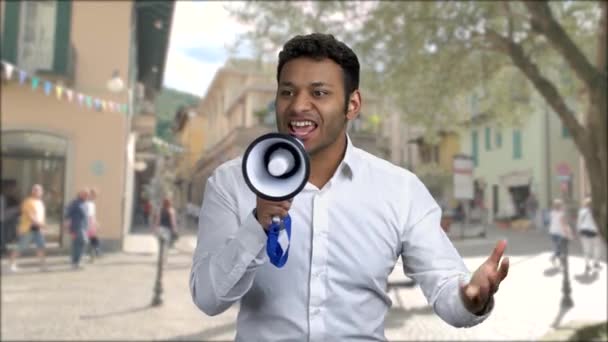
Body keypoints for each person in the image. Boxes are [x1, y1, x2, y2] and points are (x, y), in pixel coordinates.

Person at [189, 33, 509, 341]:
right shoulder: (231, 182)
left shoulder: (400, 190)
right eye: (287, 92)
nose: (298, 105)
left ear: (352, 104)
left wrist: (470, 298)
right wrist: (256, 226)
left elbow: (444, 287)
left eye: (319, 93)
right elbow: (208, 298)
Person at [9, 184, 47, 272]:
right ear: (32, 191)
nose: (39, 192)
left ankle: (42, 266)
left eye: (40, 190)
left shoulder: (40, 203)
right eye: (36, 190)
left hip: (38, 229)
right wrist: (41, 225)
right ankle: (12, 264)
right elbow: (30, 216)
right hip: (28, 228)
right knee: (21, 246)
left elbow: (41, 216)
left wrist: (42, 226)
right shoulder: (27, 202)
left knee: (41, 246)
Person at [64, 188, 89, 269]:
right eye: (85, 194)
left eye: (87, 194)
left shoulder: (85, 204)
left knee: (77, 244)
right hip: (76, 227)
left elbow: (86, 216)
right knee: (82, 241)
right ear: (80, 194)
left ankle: (75, 262)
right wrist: (67, 224)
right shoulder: (75, 203)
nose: (86, 196)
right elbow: (67, 213)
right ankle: (76, 262)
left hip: (83, 227)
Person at [576, 197, 602, 273]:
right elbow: (597, 223)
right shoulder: (594, 211)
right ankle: (596, 262)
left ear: (585, 204)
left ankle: (587, 265)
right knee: (597, 247)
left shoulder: (581, 211)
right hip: (593, 232)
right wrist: (599, 232)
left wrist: (578, 232)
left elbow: (579, 222)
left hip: (584, 232)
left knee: (586, 249)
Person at [548, 198, 574, 267]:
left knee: (557, 247)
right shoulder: (562, 214)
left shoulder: (552, 213)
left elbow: (553, 221)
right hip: (559, 233)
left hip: (552, 232)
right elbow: (564, 225)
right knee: (560, 248)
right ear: (560, 206)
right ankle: (554, 258)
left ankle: (558, 261)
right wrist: (568, 234)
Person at [86, 188, 101, 261]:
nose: (95, 197)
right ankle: (95, 253)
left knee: (93, 239)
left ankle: (93, 255)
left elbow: (93, 215)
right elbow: (88, 215)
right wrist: (92, 223)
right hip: (88, 222)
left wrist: (96, 223)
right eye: (94, 195)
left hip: (91, 222)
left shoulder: (92, 203)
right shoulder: (87, 203)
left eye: (96, 195)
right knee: (93, 239)